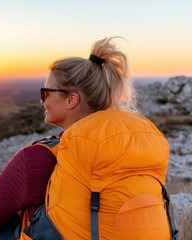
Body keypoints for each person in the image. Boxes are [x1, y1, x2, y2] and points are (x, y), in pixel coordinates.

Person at [24, 36, 177, 239]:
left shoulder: (57, 150)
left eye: (45, 93)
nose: (42, 100)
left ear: (71, 99)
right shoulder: (146, 135)